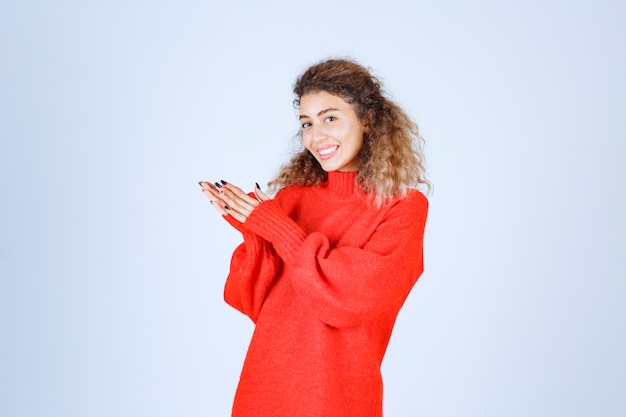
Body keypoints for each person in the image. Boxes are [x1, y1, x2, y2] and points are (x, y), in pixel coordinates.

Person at [199, 58, 431, 417]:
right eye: (307, 123)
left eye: (330, 118)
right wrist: (255, 232)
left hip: (338, 394)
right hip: (265, 388)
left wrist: (276, 228)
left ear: (367, 121)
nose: (316, 136)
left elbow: (354, 298)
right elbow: (251, 301)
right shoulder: (291, 200)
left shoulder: (402, 207)